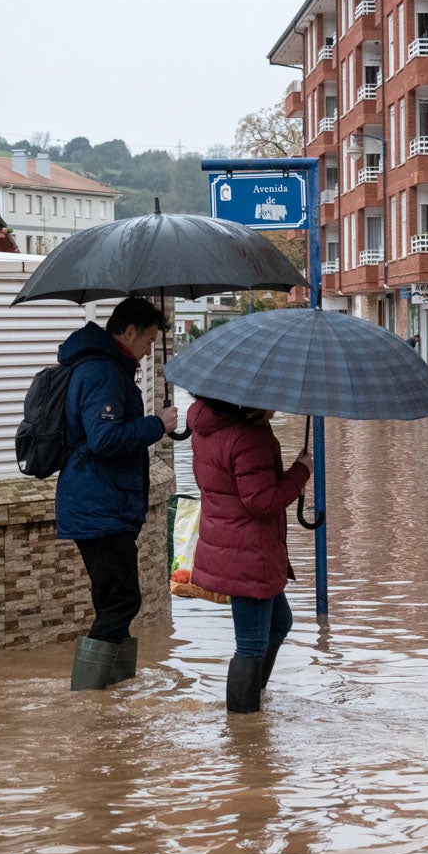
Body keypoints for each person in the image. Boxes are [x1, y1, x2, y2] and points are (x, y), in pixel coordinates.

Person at [56, 297, 177, 691]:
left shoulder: (106, 368)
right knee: (124, 602)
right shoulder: (104, 373)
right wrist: (155, 423)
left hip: (102, 503)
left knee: (114, 602)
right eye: (148, 341)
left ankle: (114, 694)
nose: (147, 351)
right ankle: (88, 693)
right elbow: (105, 440)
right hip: (100, 506)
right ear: (128, 332)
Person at [188, 397, 312, 714]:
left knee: (279, 623)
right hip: (249, 551)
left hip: (232, 543)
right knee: (251, 644)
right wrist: (301, 471)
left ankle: (253, 700)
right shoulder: (248, 437)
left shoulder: (208, 424)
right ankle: (243, 728)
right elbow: (263, 502)